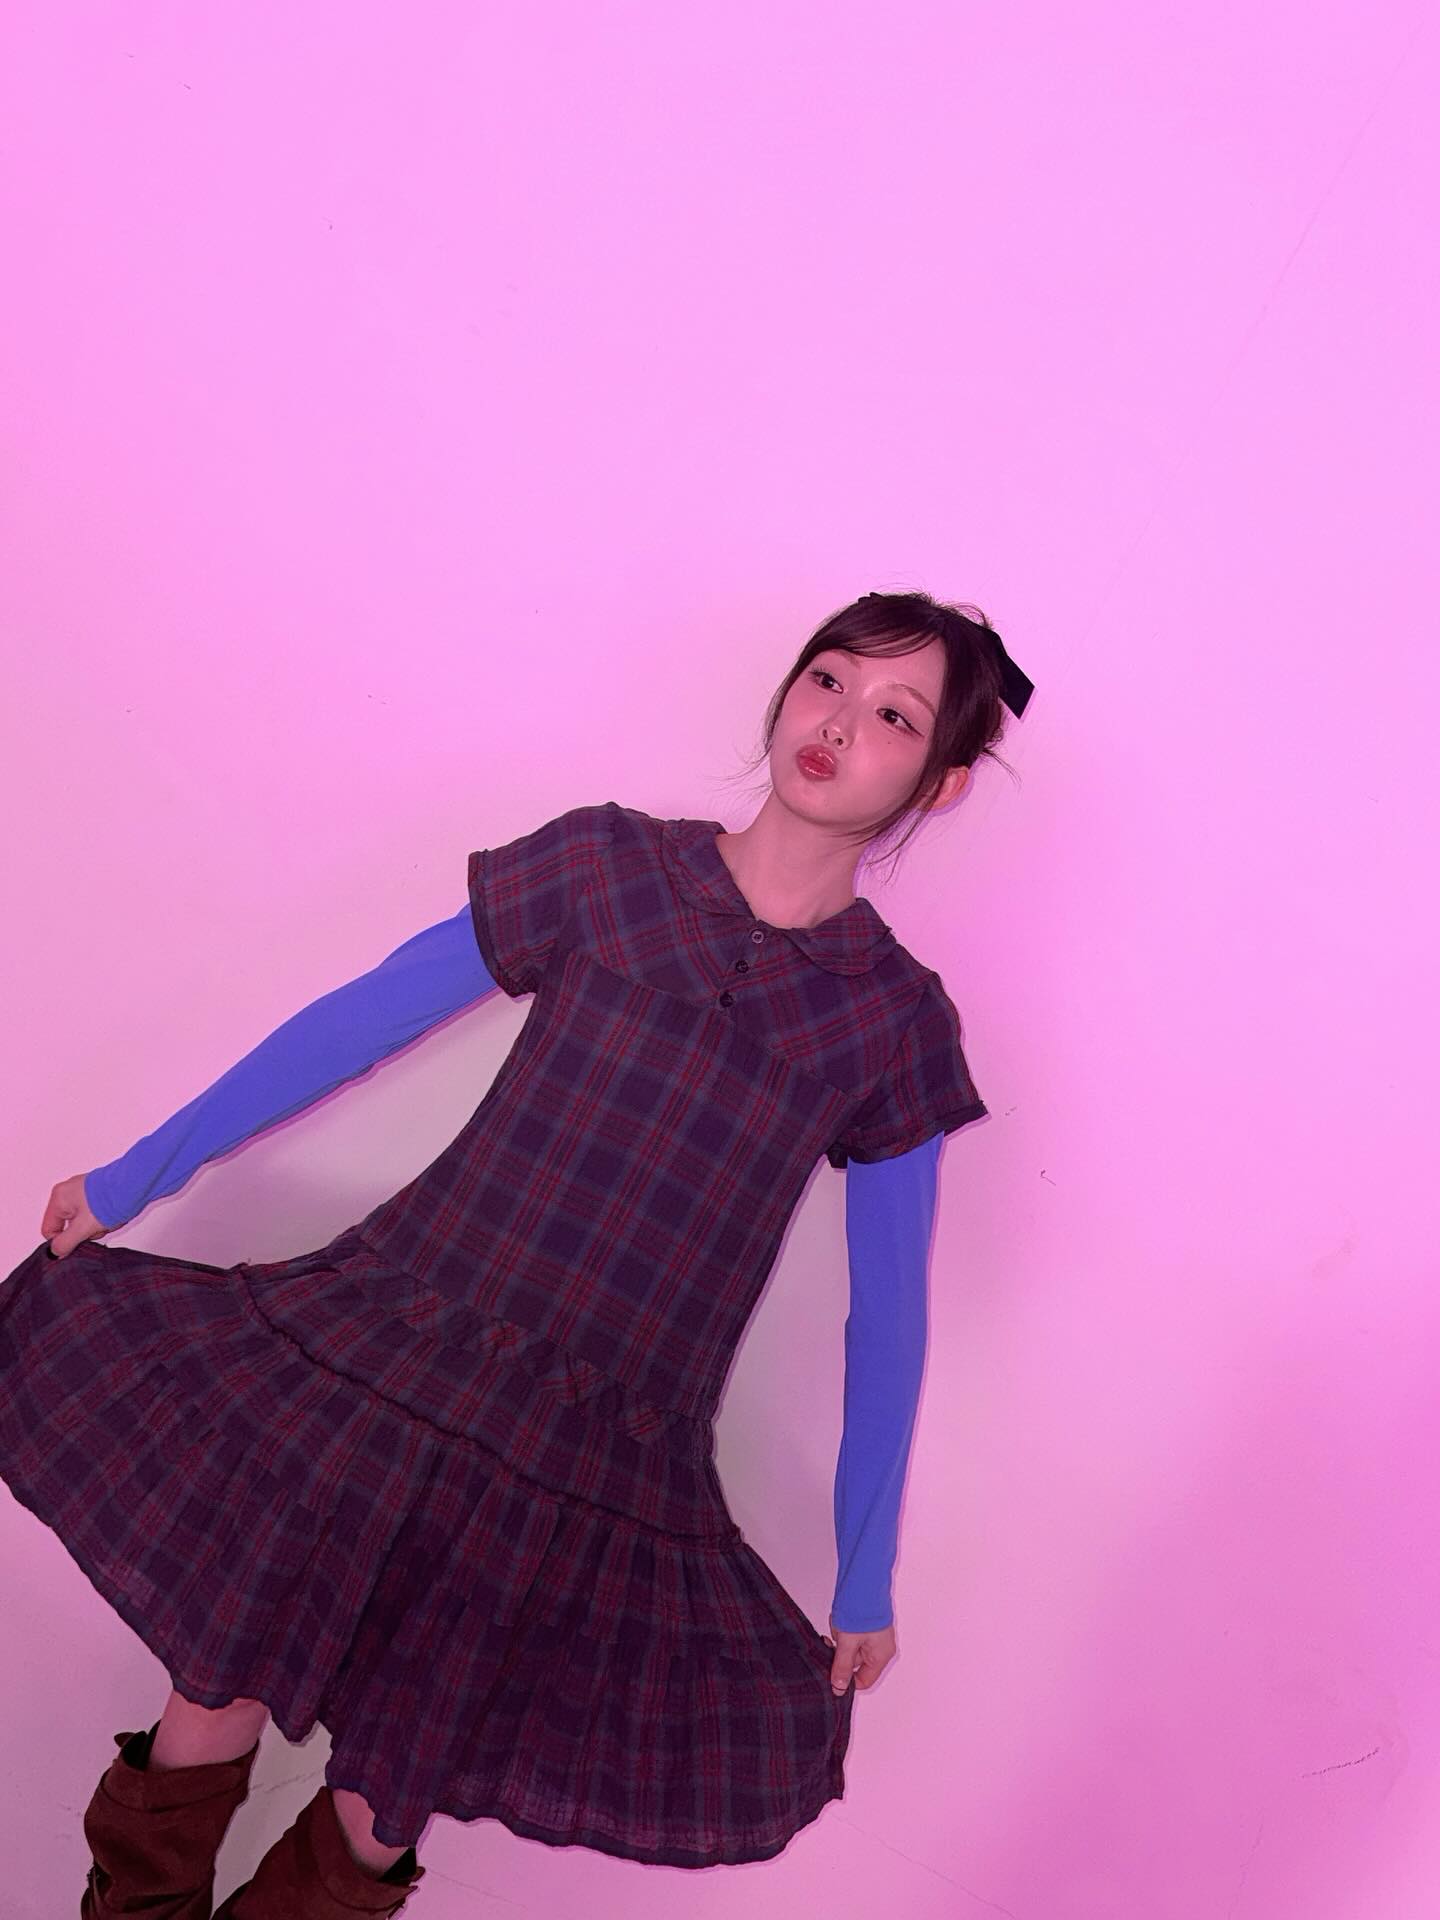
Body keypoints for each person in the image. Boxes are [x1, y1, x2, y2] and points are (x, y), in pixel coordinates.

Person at [0, 589, 1031, 1910]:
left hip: (586, 1456)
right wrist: (137, 1174)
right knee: (214, 1694)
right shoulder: (605, 869)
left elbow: (888, 1319)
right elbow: (362, 1018)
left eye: (893, 715)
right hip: (392, 1348)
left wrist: (865, 1567)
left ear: (938, 784)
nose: (837, 723)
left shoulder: (892, 1026)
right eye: (828, 678)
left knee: (379, 1814)